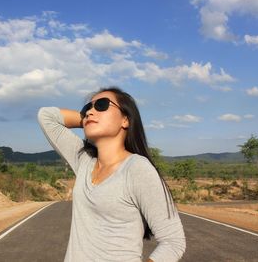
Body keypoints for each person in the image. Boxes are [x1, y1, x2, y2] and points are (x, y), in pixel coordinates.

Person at [38, 87, 186, 262]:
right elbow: (46, 115)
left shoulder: (137, 168)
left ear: (125, 120)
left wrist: (92, 119)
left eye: (102, 105)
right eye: (87, 108)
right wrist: (89, 119)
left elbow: (173, 241)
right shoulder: (84, 161)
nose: (91, 111)